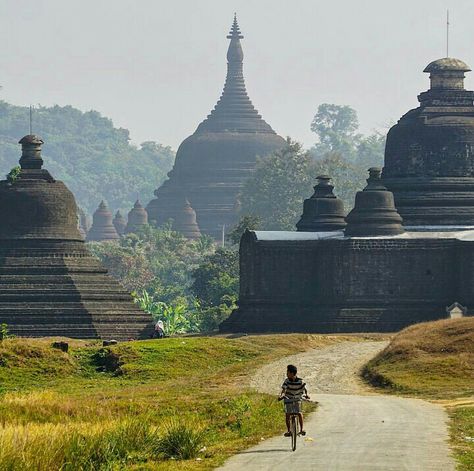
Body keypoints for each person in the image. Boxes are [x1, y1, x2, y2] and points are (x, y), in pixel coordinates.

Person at [279, 364, 309, 437]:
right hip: (288, 398)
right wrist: (282, 395)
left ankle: (301, 429)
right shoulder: (287, 381)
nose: (287, 374)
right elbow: (284, 389)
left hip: (297, 398)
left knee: (299, 413)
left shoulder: (300, 381)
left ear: (292, 373)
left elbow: (304, 389)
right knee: (288, 414)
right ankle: (289, 430)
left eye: (288, 373)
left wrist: (306, 395)